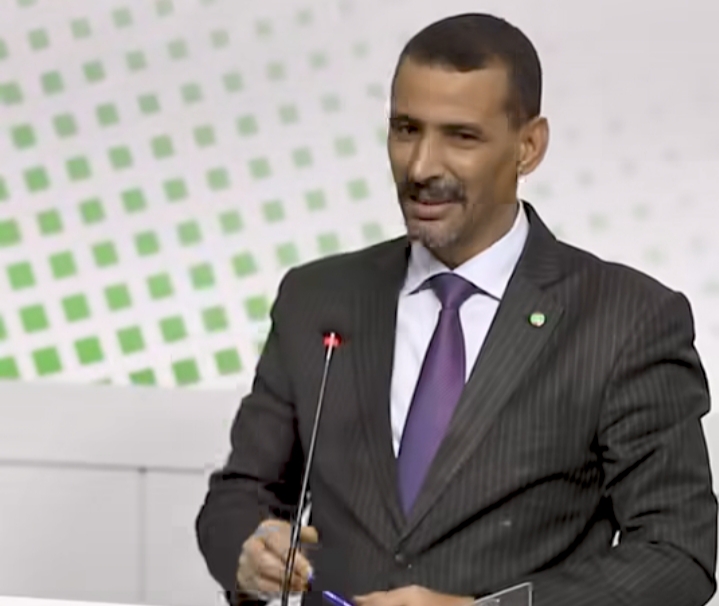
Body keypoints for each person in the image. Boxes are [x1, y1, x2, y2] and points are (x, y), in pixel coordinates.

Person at [196, 12, 717, 606]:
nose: (421, 167)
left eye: (461, 137)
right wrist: (249, 549)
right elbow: (240, 495)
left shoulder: (627, 319)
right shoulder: (316, 297)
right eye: (406, 129)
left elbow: (677, 555)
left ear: (528, 147)